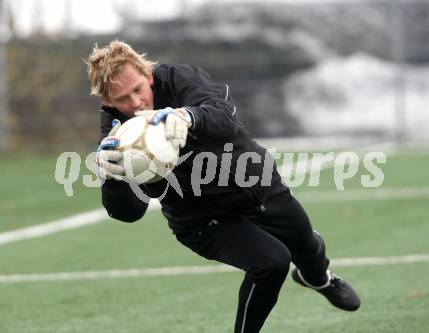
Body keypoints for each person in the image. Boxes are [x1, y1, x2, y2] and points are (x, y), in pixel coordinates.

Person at [87, 40, 361, 333]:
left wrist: (188, 117)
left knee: (307, 246)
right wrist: (113, 178)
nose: (136, 103)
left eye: (138, 89)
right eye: (123, 99)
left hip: (255, 186)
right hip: (203, 219)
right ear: (108, 102)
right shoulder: (117, 136)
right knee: (272, 263)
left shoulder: (180, 79)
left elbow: (223, 116)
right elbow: (129, 212)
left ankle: (318, 279)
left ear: (149, 76)